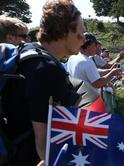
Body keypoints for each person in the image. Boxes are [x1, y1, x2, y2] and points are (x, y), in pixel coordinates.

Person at [3, 0, 85, 165]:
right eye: (80, 32)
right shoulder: (47, 70)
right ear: (64, 32)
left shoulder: (28, 51)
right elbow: (45, 145)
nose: (83, 38)